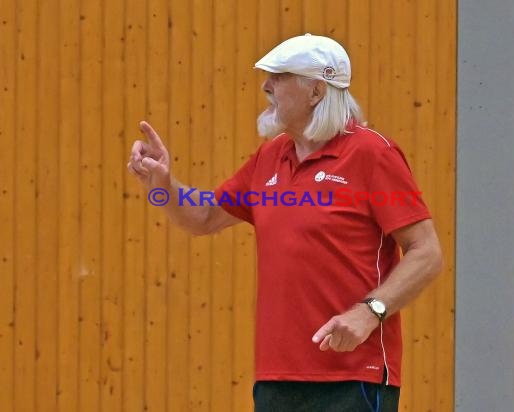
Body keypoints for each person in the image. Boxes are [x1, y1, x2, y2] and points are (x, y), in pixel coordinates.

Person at [128, 34, 443, 412]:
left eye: (279, 76)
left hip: (353, 376)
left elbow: (426, 253)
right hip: (276, 380)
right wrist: (162, 184)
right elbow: (205, 217)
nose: (266, 86)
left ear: (315, 92)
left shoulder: (372, 154)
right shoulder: (270, 157)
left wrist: (369, 312)